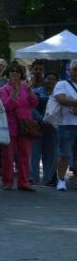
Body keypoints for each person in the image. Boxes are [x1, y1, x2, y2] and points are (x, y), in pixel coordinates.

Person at [0, 61, 38, 192]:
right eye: (12, 73)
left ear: (21, 75)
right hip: (9, 126)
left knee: (25, 154)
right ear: (8, 75)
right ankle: (8, 181)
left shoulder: (26, 87)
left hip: (25, 125)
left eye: (17, 73)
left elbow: (34, 103)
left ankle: (24, 182)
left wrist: (30, 90)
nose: (15, 75)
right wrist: (13, 94)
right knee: (8, 156)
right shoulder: (3, 90)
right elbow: (6, 107)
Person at [30, 62, 57, 186]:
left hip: (53, 126)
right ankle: (33, 177)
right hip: (37, 124)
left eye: (54, 79)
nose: (51, 81)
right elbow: (31, 107)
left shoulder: (59, 94)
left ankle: (49, 178)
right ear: (44, 80)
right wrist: (41, 119)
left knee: (50, 153)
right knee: (34, 151)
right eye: (48, 78)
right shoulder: (36, 92)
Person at [52, 61, 77, 191]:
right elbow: (60, 99)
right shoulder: (62, 84)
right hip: (66, 124)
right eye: (75, 69)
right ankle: (61, 180)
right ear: (70, 70)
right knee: (64, 154)